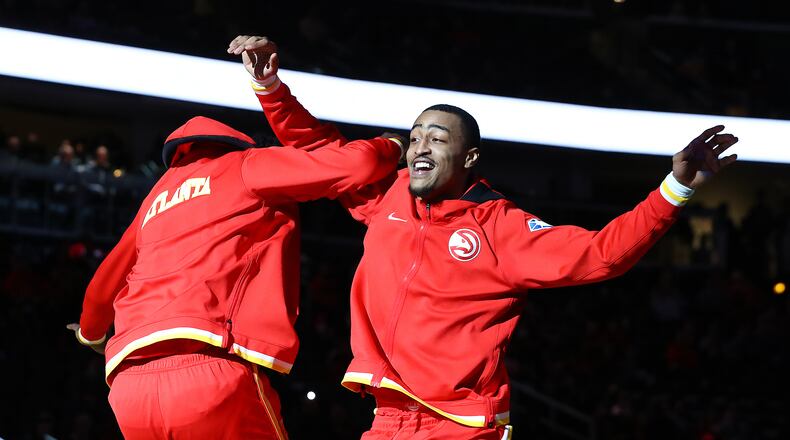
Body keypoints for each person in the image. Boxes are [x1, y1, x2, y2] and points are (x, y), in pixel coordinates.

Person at [230, 35, 740, 439]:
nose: (419, 145)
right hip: (386, 420)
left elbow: (600, 254)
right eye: (415, 136)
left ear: (469, 159)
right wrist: (273, 91)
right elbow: (326, 150)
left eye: (437, 137)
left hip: (461, 426)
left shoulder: (502, 227)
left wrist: (674, 190)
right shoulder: (391, 196)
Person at [68, 84, 405, 437]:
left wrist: (90, 335)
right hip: (210, 368)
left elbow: (101, 287)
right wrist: (390, 145)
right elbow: (358, 164)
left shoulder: (155, 198)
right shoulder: (247, 164)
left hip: (128, 388)